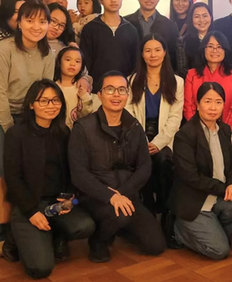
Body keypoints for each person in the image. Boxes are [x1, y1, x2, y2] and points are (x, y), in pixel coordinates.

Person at [0, 0, 56, 255]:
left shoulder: (48, 53)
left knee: (28, 168)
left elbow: (45, 89)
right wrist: (14, 132)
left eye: (42, 21)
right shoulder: (3, 50)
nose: (36, 26)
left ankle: (21, 226)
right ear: (18, 23)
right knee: (1, 169)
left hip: (24, 114)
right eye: (29, 20)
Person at [69, 72, 166, 262]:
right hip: (95, 197)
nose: (116, 95)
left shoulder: (135, 126)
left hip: (127, 195)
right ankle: (98, 241)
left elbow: (144, 167)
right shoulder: (83, 128)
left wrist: (121, 194)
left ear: (127, 95)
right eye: (110, 90)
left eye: (121, 90)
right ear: (100, 94)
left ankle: (118, 228)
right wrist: (111, 196)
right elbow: (79, 174)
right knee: (119, 215)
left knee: (155, 245)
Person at [4, 80, 95, 279]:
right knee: (41, 269)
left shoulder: (63, 132)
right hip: (30, 204)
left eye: (55, 100)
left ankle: (55, 235)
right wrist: (30, 211)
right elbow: (13, 178)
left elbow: (72, 169)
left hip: (56, 202)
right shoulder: (16, 134)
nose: (51, 105)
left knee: (86, 226)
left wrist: (69, 196)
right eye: (43, 101)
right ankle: (13, 239)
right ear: (31, 104)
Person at [170, 82, 232, 260]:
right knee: (220, 251)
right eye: (207, 101)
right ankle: (179, 231)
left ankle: (213, 230)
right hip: (194, 203)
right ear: (197, 104)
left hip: (217, 197)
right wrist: (226, 188)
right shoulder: (184, 135)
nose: (213, 107)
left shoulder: (224, 129)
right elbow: (191, 177)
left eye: (218, 102)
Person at [126, 34, 184, 217]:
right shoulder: (131, 80)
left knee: (164, 161)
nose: (153, 55)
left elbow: (175, 118)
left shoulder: (177, 82)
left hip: (165, 135)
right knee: (142, 161)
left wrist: (158, 142)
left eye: (157, 50)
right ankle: (148, 210)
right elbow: (129, 114)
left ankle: (166, 211)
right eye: (148, 50)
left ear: (165, 53)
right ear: (142, 54)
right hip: (138, 134)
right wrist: (142, 140)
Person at [184, 31, 232, 161]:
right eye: (210, 46)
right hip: (197, 131)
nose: (215, 50)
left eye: (219, 47)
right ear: (203, 49)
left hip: (229, 131)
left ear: (225, 49)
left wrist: (223, 131)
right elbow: (189, 107)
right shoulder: (192, 74)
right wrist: (200, 131)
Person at [79, 0, 139, 92]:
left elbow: (135, 63)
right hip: (97, 89)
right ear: (100, 0)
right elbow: (85, 61)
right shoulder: (90, 28)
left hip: (124, 90)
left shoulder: (131, 29)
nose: (113, 0)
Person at [124, 0, 179, 69]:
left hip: (161, 76)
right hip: (132, 74)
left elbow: (173, 56)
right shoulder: (125, 23)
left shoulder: (169, 25)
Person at [53, 46, 94, 129]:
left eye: (77, 61)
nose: (72, 64)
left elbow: (86, 113)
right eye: (68, 60)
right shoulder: (53, 87)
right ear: (59, 62)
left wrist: (85, 97)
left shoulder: (82, 87)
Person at [180, 2, 212, 78]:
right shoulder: (182, 42)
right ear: (191, 19)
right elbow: (182, 70)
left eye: (205, 16)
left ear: (210, 17)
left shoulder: (219, 39)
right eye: (197, 17)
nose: (201, 20)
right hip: (193, 83)